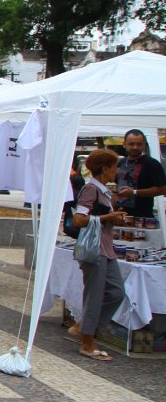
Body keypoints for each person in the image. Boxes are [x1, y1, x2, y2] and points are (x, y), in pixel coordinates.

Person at [68, 149, 130, 361]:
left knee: (116, 292)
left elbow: (98, 217)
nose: (116, 171)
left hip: (106, 249)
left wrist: (112, 218)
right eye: (114, 167)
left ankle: (84, 326)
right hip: (94, 250)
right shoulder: (90, 189)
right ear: (105, 168)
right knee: (95, 295)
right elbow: (78, 220)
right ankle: (87, 342)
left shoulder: (103, 191)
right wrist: (106, 217)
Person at [114, 129, 166, 219]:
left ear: (144, 145)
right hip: (120, 215)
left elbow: (163, 189)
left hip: (142, 217)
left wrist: (134, 192)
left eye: (139, 144)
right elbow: (116, 186)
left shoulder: (152, 164)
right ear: (124, 144)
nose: (135, 147)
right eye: (131, 144)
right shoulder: (120, 163)